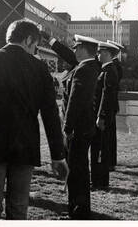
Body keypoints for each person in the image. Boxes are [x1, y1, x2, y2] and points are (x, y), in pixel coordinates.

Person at [0, 19, 68, 220]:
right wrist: (57, 155)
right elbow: (50, 114)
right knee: (18, 208)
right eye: (35, 45)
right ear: (29, 40)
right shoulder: (39, 68)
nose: (35, 49)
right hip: (24, 148)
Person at [57, 35, 100, 220]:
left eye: (76, 48)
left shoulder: (83, 70)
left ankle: (79, 211)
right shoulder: (89, 67)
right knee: (78, 170)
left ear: (83, 49)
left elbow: (75, 101)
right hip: (83, 127)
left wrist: (67, 128)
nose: (74, 51)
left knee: (76, 171)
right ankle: (77, 207)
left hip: (77, 129)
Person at [90, 42, 119, 190]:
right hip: (100, 115)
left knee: (100, 149)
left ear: (107, 53)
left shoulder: (109, 71)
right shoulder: (106, 70)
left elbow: (107, 96)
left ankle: (99, 182)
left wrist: (101, 116)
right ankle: (98, 180)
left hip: (102, 117)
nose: (98, 54)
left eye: (100, 52)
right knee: (99, 148)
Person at [106, 40, 124, 170]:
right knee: (110, 135)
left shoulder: (114, 66)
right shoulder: (116, 65)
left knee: (109, 135)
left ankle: (110, 161)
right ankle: (111, 160)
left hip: (109, 104)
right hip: (112, 104)